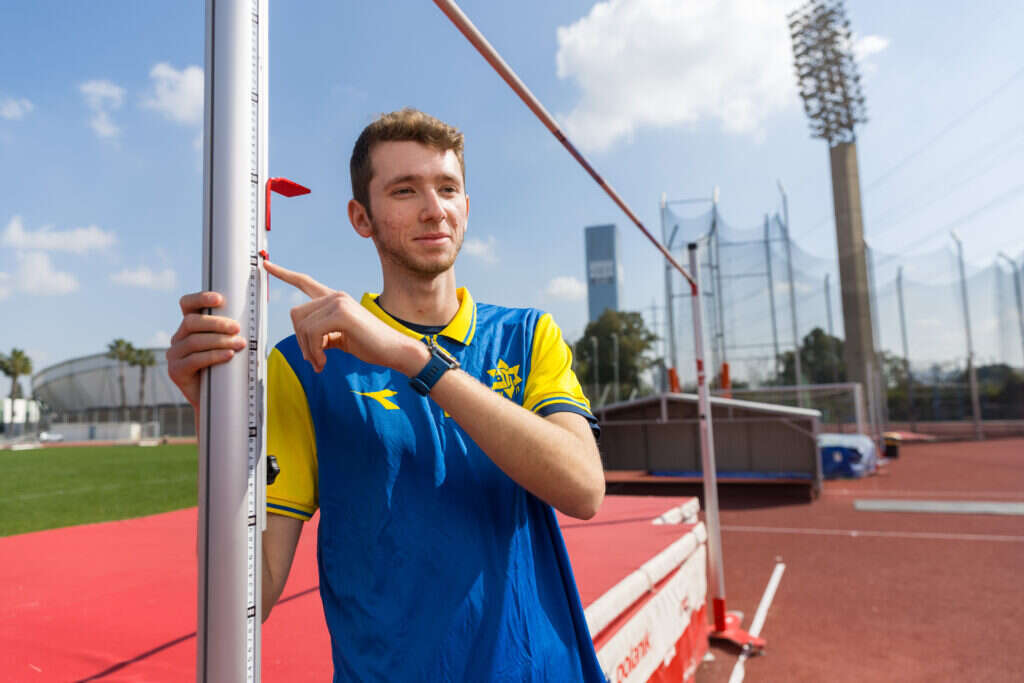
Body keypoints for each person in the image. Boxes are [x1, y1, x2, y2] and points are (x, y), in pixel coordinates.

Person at [167, 108, 606, 681]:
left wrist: (413, 358)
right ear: (361, 217)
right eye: (404, 190)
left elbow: (583, 488)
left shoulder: (527, 337)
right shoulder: (304, 365)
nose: (434, 208)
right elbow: (253, 594)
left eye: (448, 188)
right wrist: (214, 416)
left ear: (467, 208)